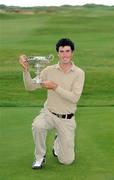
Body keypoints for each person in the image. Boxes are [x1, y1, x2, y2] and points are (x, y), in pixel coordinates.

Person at [19, 38, 85, 169]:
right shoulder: (49, 70)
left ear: (72, 53)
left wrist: (55, 87)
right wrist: (25, 71)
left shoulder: (79, 73)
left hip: (67, 118)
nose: (65, 54)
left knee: (66, 161)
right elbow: (30, 87)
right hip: (49, 113)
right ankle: (39, 157)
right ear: (58, 53)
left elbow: (74, 98)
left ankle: (58, 141)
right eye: (62, 51)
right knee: (38, 125)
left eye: (67, 51)